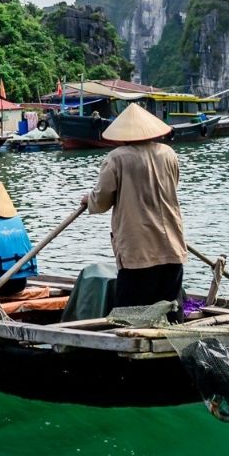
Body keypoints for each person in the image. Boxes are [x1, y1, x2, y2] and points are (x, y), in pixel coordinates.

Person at [80, 102, 187, 309]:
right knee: (171, 310)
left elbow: (101, 200)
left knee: (129, 313)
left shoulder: (117, 158)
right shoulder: (168, 154)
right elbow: (172, 185)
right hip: (171, 246)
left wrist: (89, 199)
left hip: (138, 252)